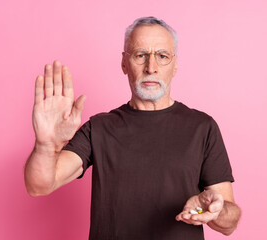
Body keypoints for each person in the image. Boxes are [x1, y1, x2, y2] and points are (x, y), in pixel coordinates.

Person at [25, 16, 241, 239]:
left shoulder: (202, 128)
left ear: (175, 65)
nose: (151, 67)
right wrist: (44, 145)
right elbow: (39, 186)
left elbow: (229, 223)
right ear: (124, 63)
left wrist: (215, 210)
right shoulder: (98, 128)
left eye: (162, 56)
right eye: (140, 55)